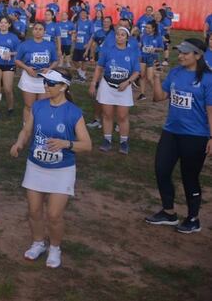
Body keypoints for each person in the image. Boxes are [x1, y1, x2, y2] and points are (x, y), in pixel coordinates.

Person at [10, 69, 92, 268]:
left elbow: (87, 145)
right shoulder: (38, 106)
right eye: (45, 82)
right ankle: (38, 243)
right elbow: (27, 130)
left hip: (62, 169)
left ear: (64, 87)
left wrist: (66, 144)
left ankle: (55, 248)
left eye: (51, 83)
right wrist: (19, 143)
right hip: (36, 166)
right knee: (34, 210)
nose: (46, 86)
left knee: (54, 215)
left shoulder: (73, 112)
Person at [145, 39, 212, 233]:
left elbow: (210, 111)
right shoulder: (175, 72)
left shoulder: (207, 79)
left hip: (196, 136)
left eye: (185, 53)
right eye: (179, 52)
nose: (180, 56)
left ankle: (193, 218)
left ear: (198, 55)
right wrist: (156, 78)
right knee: (161, 170)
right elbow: (158, 98)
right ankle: (169, 213)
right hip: (171, 132)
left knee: (189, 177)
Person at [90, 26, 141, 154]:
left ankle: (124, 142)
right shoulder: (107, 50)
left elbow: (136, 72)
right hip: (107, 85)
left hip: (124, 87)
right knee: (107, 114)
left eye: (123, 35)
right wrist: (93, 83)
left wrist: (128, 82)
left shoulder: (132, 53)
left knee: (123, 116)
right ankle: (107, 140)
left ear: (127, 38)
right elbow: (99, 67)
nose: (119, 37)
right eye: (118, 34)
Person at [15, 22, 59, 126]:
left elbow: (55, 61)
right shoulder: (25, 44)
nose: (38, 31)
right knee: (29, 105)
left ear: (44, 32)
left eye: (40, 29)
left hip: (44, 80)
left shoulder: (50, 45)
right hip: (29, 79)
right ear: (32, 30)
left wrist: (49, 68)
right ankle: (26, 127)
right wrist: (27, 68)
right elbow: (17, 60)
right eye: (36, 29)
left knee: (43, 106)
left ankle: (40, 126)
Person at [0, 16, 21, 119]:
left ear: (9, 25)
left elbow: (19, 51)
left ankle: (10, 109)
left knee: (8, 89)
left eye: (5, 23)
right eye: (1, 23)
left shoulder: (14, 37)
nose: (3, 24)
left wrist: (10, 53)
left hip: (9, 64)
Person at [138, 21, 163, 101]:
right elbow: (141, 46)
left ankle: (157, 93)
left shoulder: (158, 37)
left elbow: (162, 48)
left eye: (149, 28)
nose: (146, 29)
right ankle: (142, 94)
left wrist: (155, 49)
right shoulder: (143, 36)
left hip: (152, 58)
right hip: (143, 57)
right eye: (146, 27)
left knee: (149, 78)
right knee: (142, 76)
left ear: (153, 29)